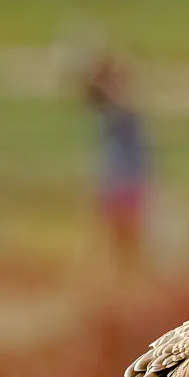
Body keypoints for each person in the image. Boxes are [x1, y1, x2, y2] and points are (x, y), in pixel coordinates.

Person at [83, 52, 149, 269]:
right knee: (121, 235)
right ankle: (123, 273)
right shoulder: (115, 110)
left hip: (122, 177)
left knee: (125, 235)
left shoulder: (116, 110)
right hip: (120, 177)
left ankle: (124, 273)